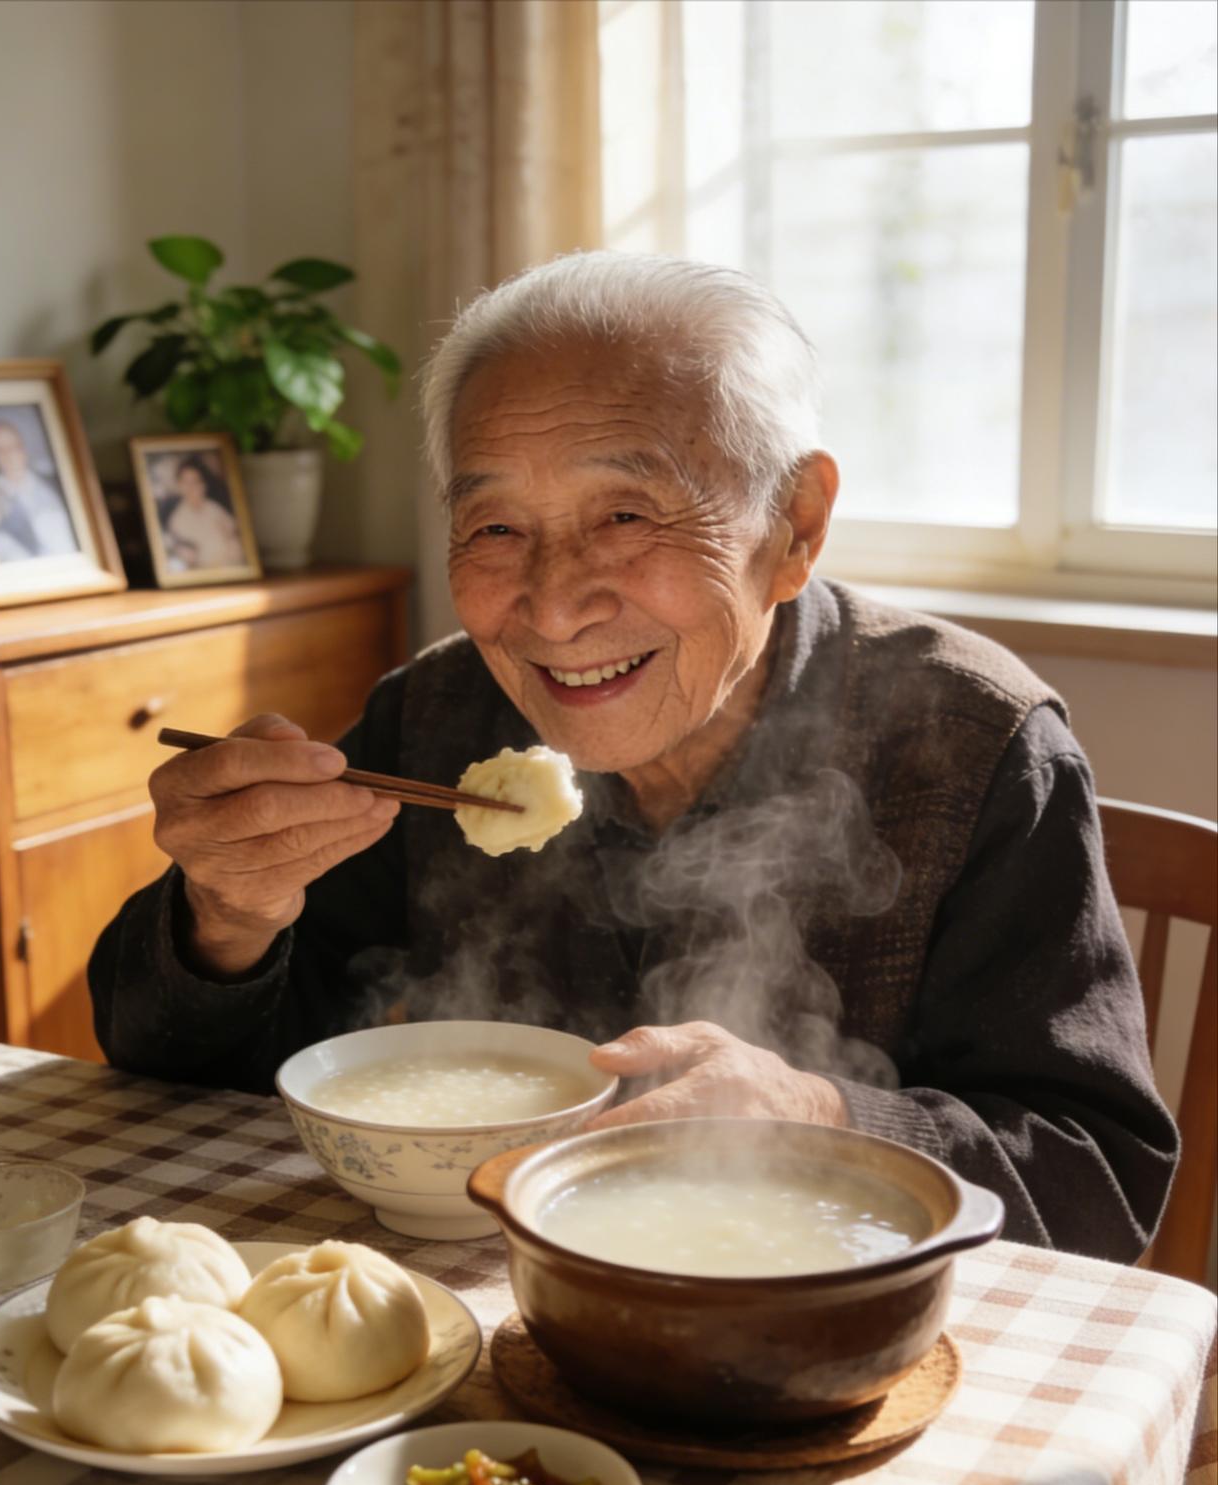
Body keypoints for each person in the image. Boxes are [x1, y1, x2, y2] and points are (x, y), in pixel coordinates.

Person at [89, 252, 1178, 1260]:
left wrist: (820, 1118)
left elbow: (1098, 1179)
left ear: (792, 524)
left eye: (625, 512)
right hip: (483, 1313)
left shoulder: (971, 742)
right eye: (497, 528)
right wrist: (224, 920)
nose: (554, 608)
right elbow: (199, 1087)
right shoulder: (435, 715)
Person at [0, 418, 78, 562]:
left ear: (23, 448)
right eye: (0, 450)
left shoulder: (55, 485)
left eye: (13, 446)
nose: (8, 455)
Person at [161, 456, 243, 569]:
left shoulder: (215, 509)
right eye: (186, 482)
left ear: (203, 485)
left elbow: (234, 535)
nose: (191, 488)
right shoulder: (177, 519)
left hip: (230, 567)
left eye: (195, 482)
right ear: (179, 485)